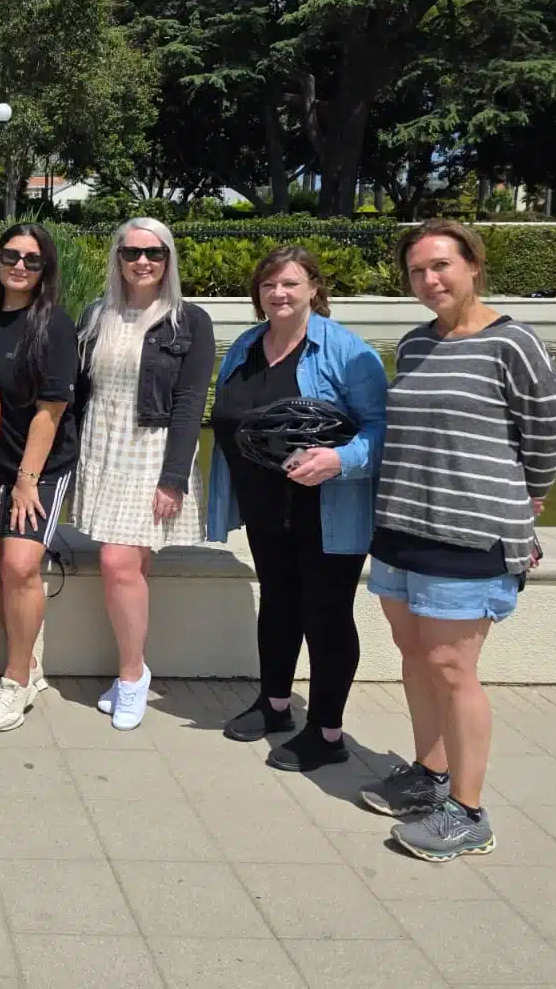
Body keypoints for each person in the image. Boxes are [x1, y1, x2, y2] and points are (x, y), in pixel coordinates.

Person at [358, 220, 556, 861]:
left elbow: (550, 425)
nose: (431, 280)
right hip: (401, 525)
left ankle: (468, 812)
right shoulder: (415, 345)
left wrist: (529, 497)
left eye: (442, 265)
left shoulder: (515, 344)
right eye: (418, 270)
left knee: (453, 668)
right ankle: (430, 772)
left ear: (474, 265)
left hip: (471, 531)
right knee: (413, 653)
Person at [206, 245, 387, 770]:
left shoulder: (348, 353)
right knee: (280, 604)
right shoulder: (245, 344)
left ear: (314, 288)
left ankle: (327, 734)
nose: (278, 294)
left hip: (327, 508)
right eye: (268, 285)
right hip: (265, 504)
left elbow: (380, 430)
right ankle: (275, 703)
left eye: (289, 283)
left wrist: (338, 459)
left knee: (326, 616)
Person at [71, 218, 213, 730]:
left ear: (169, 259)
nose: (143, 262)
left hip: (150, 449)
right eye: (132, 253)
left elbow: (190, 402)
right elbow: (81, 391)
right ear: (118, 258)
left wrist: (174, 476)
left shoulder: (188, 321)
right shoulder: (96, 314)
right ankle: (132, 667)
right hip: (102, 444)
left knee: (116, 562)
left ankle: (132, 677)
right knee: (131, 565)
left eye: (154, 253)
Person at [0, 224, 79, 732]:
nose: (19, 266)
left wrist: (26, 480)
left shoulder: (55, 326)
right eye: (11, 256)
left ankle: (16, 680)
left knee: (20, 564)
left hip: (40, 466)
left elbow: (51, 410)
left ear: (45, 270)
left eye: (32, 261)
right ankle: (27, 665)